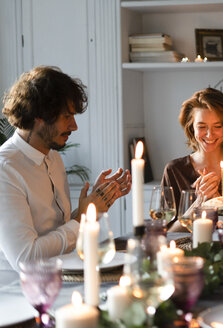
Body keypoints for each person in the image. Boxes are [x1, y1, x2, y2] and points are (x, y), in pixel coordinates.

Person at [0, 66, 131, 281]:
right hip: (24, 296)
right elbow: (26, 259)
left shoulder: (54, 158)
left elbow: (58, 234)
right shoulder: (5, 170)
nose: (74, 126)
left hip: (66, 280)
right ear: (39, 115)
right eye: (67, 116)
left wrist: (92, 207)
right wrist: (81, 218)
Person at [162, 88, 223, 227]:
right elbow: (168, 233)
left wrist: (219, 204)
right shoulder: (174, 170)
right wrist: (200, 202)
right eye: (202, 126)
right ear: (191, 127)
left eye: (217, 126)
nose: (210, 135)